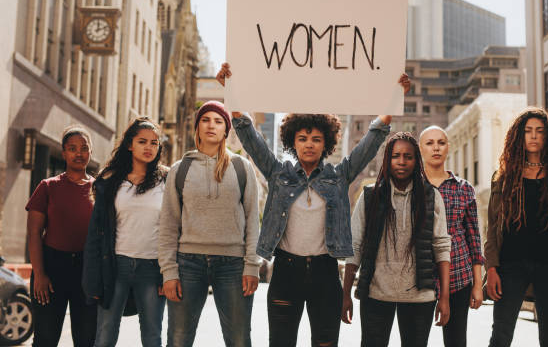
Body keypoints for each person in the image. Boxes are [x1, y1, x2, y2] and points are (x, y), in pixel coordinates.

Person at [216, 62, 411, 347]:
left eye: (316, 139)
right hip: (286, 271)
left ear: (326, 144)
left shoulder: (339, 176)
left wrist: (395, 97)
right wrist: (230, 93)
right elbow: (250, 137)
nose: (309, 144)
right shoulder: (278, 173)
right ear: (293, 141)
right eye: (302, 138)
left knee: (325, 342)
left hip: (325, 273)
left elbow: (370, 142)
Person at [158, 100, 260, 347]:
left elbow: (252, 221)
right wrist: (169, 271)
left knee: (238, 340)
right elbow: (168, 224)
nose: (211, 125)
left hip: (233, 265)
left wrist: (252, 265)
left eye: (218, 121)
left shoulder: (242, 168)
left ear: (226, 130)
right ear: (197, 128)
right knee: (179, 340)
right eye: (205, 120)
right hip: (188, 263)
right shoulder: (179, 170)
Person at [342, 132, 451, 347]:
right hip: (376, 295)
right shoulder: (369, 196)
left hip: (421, 298)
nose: (402, 162)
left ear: (416, 160)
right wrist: (346, 294)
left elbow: (441, 246)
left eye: (408, 156)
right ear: (387, 160)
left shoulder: (431, 196)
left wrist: (444, 297)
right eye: (396, 156)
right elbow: (355, 246)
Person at [484, 108, 548, 347]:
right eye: (528, 131)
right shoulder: (504, 177)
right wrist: (492, 267)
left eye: (539, 131)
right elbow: (493, 227)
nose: (534, 136)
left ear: (547, 136)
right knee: (500, 335)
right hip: (510, 264)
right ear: (519, 136)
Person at [82, 118, 167, 347]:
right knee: (105, 334)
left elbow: (173, 230)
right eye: (142, 142)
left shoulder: (166, 180)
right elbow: (95, 235)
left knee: (152, 336)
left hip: (152, 268)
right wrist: (92, 280)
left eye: (154, 143)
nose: (149, 147)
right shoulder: (109, 182)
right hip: (115, 266)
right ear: (130, 144)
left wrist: (169, 273)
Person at [26, 126, 98, 347]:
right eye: (72, 148)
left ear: (90, 152)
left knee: (86, 339)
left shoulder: (101, 189)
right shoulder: (48, 187)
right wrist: (39, 274)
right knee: (45, 339)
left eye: (84, 148)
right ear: (64, 152)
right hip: (51, 267)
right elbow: (34, 233)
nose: (79, 153)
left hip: (87, 270)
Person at [419, 125, 485, 347]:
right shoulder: (413, 187)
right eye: (429, 143)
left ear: (448, 147)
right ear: (421, 149)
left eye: (441, 142)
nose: (435, 148)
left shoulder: (464, 189)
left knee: (456, 342)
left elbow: (474, 240)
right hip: (420, 276)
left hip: (459, 275)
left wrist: (477, 284)